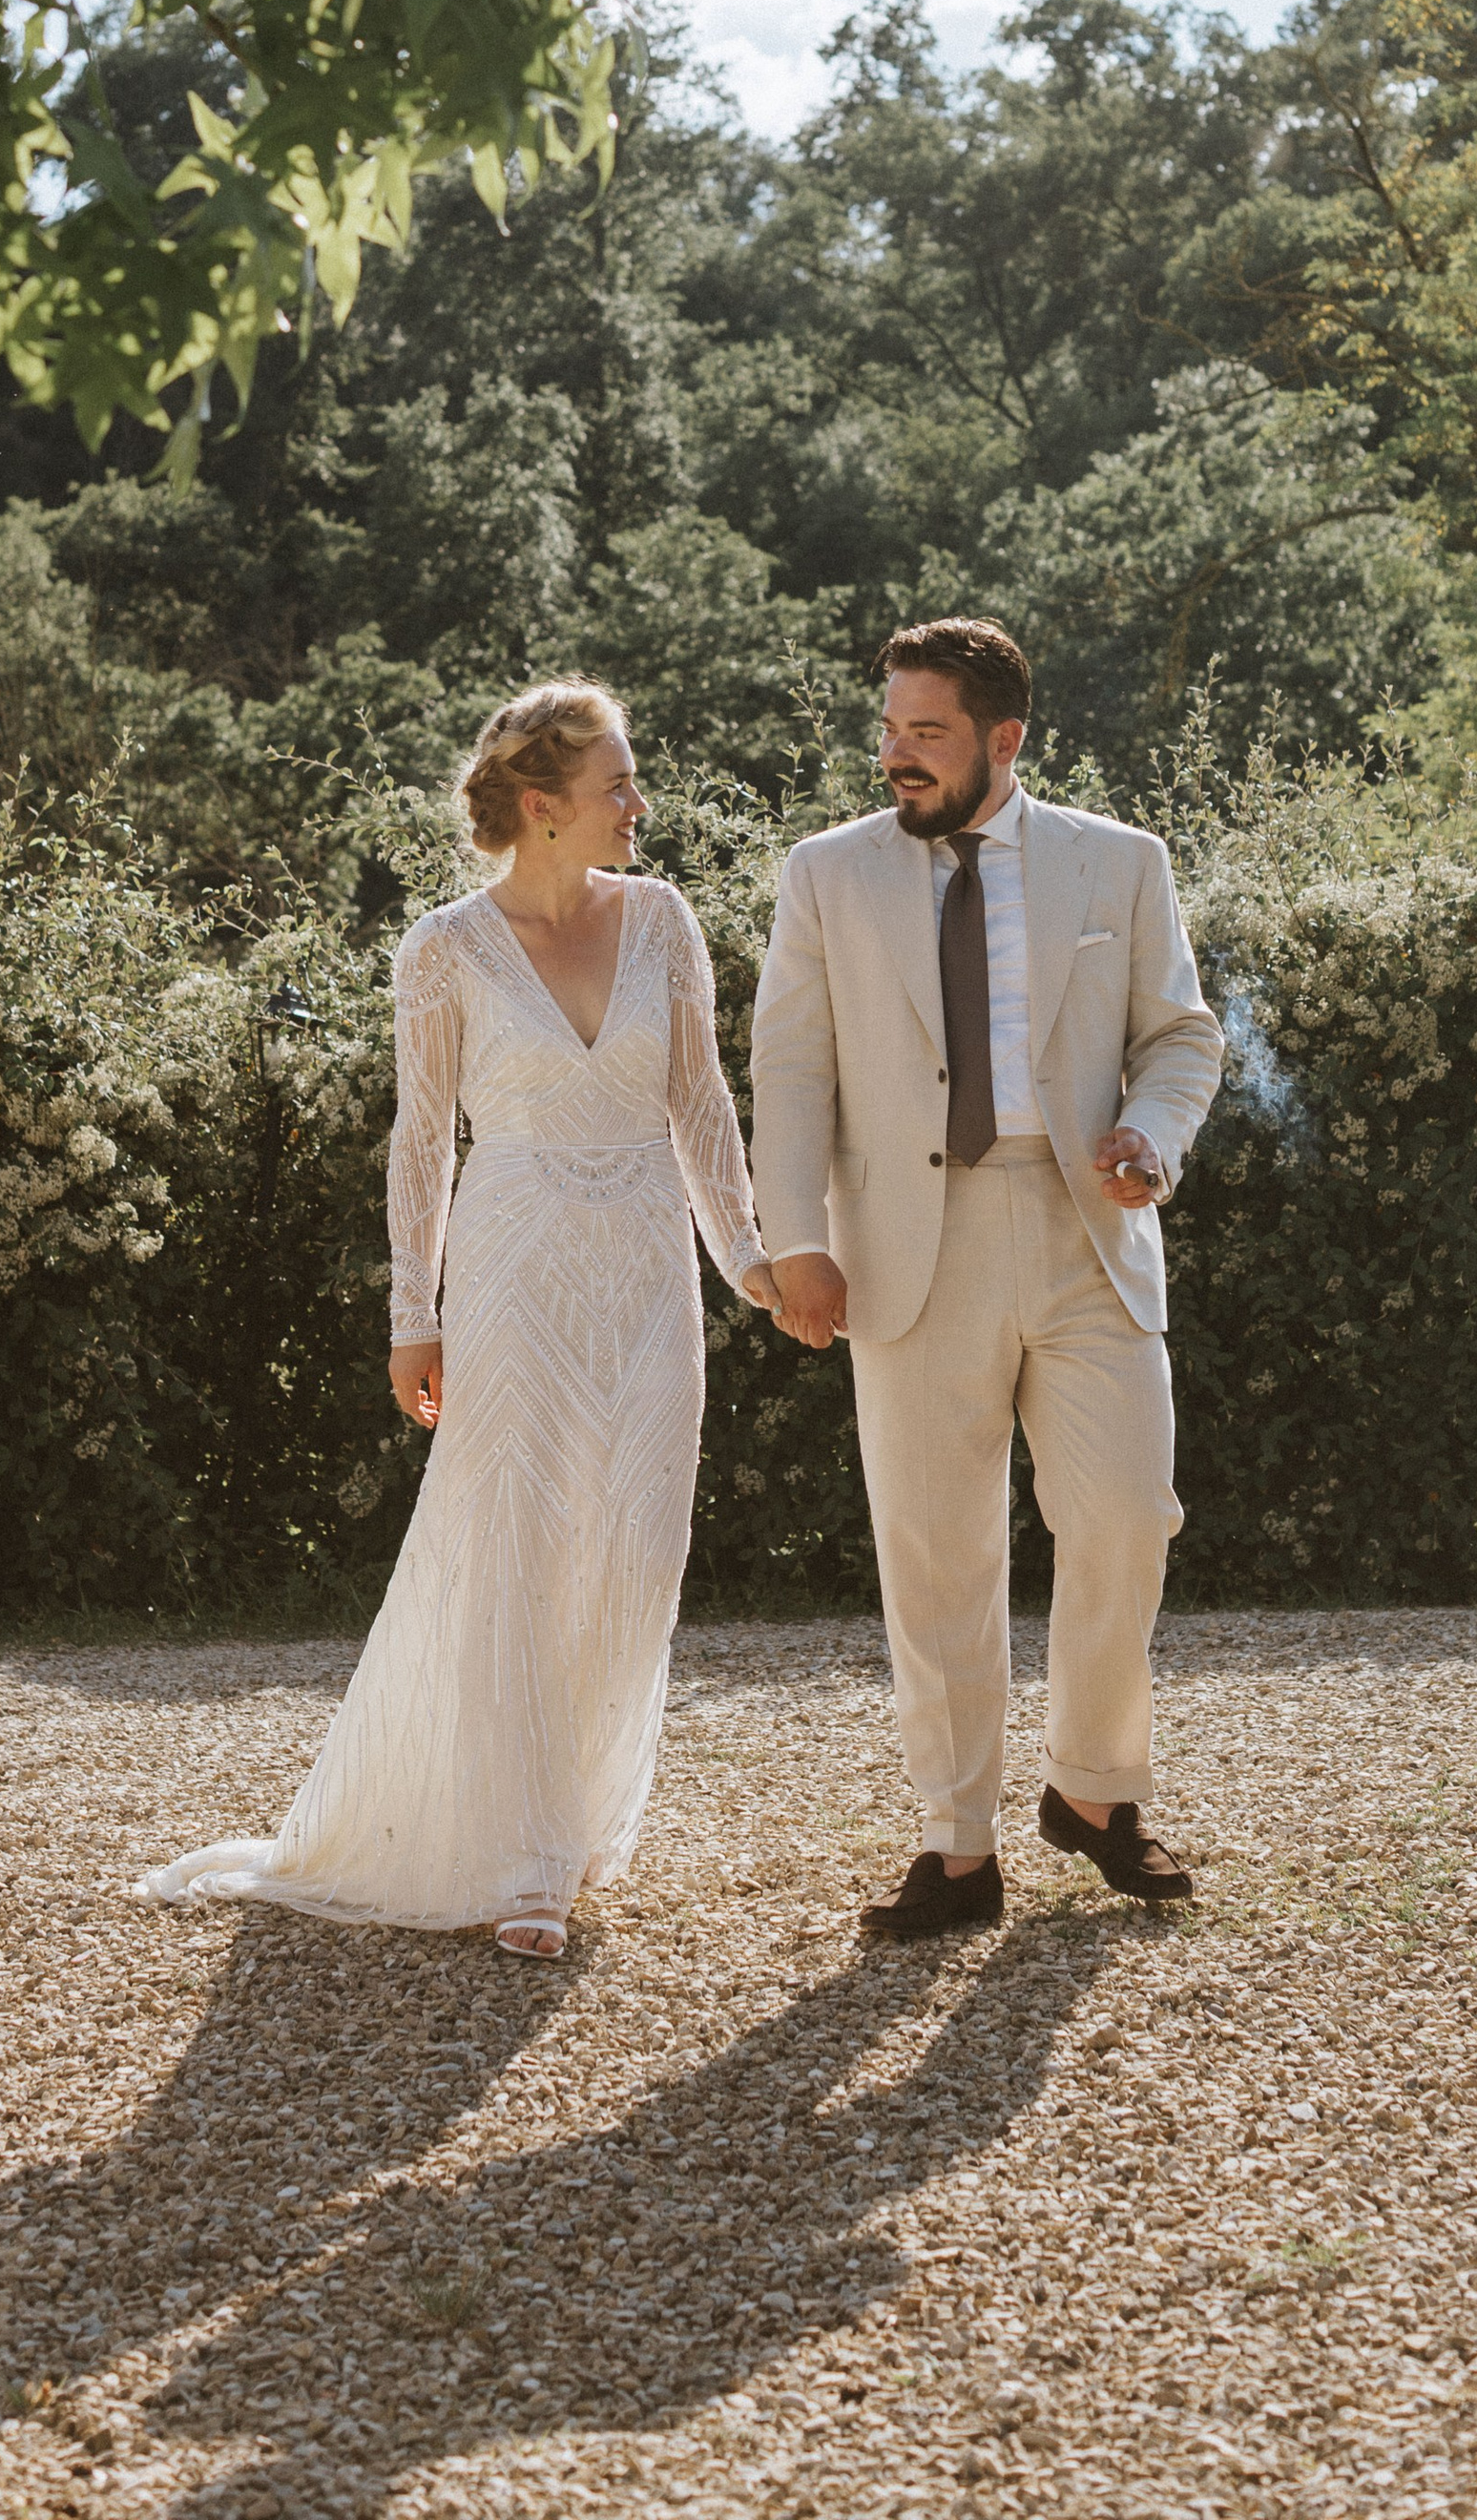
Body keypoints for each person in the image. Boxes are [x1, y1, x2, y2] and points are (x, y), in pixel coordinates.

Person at [143, 680, 778, 1961]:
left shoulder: (664, 921)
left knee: (634, 1540)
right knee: (525, 1540)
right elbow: (422, 1141)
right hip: (515, 1265)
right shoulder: (442, 947)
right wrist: (410, 1312)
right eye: (618, 786)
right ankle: (534, 1854)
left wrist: (752, 1264)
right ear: (542, 808)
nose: (638, 806)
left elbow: (703, 1107)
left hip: (650, 1263)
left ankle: (582, 1813)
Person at [749, 618, 1223, 1939]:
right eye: (890, 729)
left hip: (1087, 1234)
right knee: (938, 1555)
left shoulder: (1119, 863)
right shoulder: (825, 875)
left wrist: (1154, 1136)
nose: (898, 756)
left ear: (1004, 740)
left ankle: (1095, 1791)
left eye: (928, 734)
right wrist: (796, 1239)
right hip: (908, 1246)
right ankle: (955, 1847)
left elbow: (1182, 1037)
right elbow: (789, 1069)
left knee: (1129, 1514)